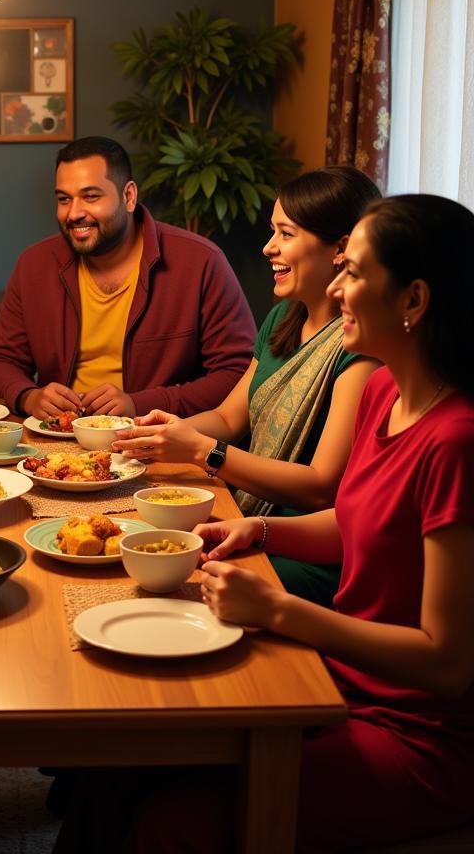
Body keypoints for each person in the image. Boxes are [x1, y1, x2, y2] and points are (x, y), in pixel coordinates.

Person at [54, 195, 474, 853]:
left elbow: (447, 665)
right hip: (337, 679)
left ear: (414, 300)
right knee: (126, 755)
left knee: (173, 822)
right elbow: (358, 522)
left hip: (414, 734)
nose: (336, 288)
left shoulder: (455, 441)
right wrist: (262, 533)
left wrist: (279, 610)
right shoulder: (384, 393)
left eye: (354, 273)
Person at [111, 167, 381, 606]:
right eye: (272, 231)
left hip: (302, 547)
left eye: (286, 233)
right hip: (244, 515)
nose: (268, 247)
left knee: (155, 584)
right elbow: (228, 417)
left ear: (341, 249)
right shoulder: (282, 320)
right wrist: (153, 436)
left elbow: (320, 486)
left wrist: (202, 451)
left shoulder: (359, 347)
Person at [0, 136, 255, 420]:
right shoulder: (34, 264)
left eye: (91, 196)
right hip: (58, 440)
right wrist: (29, 396)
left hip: (155, 438)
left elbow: (238, 373)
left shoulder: (200, 261)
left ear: (129, 196)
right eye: (64, 199)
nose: (74, 213)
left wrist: (140, 404)